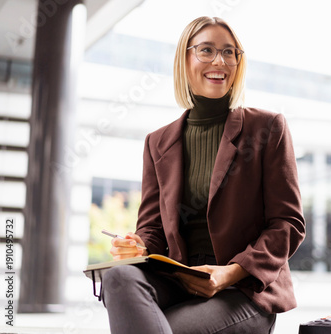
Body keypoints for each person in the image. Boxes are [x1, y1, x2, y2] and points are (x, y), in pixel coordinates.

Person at [102, 16, 305, 334]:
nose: (219, 61)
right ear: (185, 59)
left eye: (229, 52)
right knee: (117, 275)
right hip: (181, 281)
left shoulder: (267, 128)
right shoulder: (158, 142)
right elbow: (154, 230)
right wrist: (138, 245)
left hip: (244, 291)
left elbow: (287, 225)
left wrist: (230, 273)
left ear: (239, 62)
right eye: (206, 50)